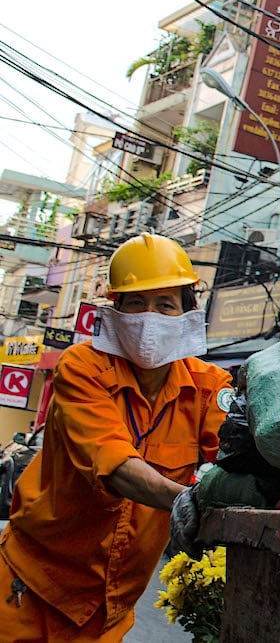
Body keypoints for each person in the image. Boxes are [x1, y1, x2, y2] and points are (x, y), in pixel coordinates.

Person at [0, 233, 233, 641]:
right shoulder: (81, 368)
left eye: (165, 305)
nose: (149, 318)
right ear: (115, 310)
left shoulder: (209, 387)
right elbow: (112, 462)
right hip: (31, 587)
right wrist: (187, 500)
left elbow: (232, 462)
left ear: (187, 314)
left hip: (112, 609)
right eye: (136, 303)